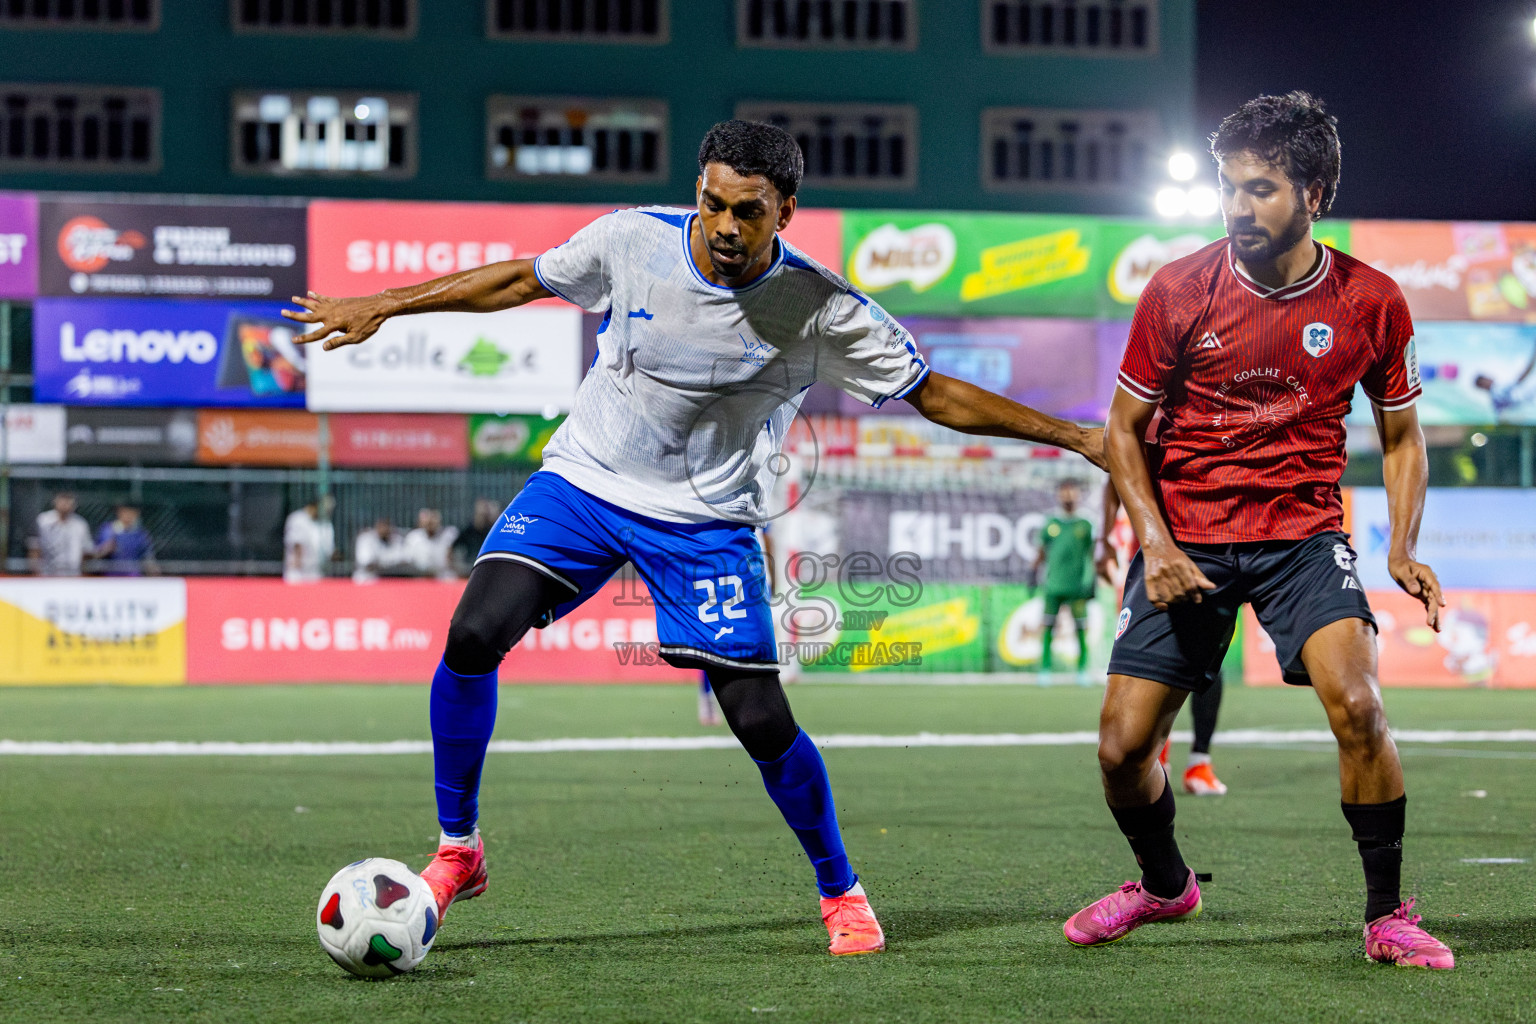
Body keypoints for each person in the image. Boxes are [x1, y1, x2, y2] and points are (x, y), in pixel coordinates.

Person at [286, 120, 1104, 956]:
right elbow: (519, 282)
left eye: (747, 212)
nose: (722, 227)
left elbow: (934, 395)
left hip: (706, 521)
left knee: (756, 715)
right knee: (472, 633)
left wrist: (1077, 436)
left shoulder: (820, 307)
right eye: (712, 203)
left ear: (786, 210)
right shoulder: (630, 239)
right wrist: (384, 304)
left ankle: (841, 889)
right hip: (586, 480)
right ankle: (459, 847)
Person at [1064, 92, 1453, 969]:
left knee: (1359, 705)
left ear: (1314, 191)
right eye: (1229, 188)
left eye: (1262, 189)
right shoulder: (1177, 291)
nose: (1239, 208)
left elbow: (1402, 433)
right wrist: (1156, 546)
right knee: (1123, 749)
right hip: (1188, 538)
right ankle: (1166, 886)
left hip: (1304, 540)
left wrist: (1401, 547)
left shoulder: (1372, 301)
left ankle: (1387, 915)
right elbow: (1122, 431)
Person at [1098, 478, 1227, 796]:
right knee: (1152, 664)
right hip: (1153, 560)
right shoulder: (1145, 432)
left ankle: (1200, 763)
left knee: (1211, 661)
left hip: (1213, 552)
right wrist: (1104, 538)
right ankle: (1160, 758)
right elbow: (1114, 469)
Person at [1033, 479, 1095, 675]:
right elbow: (1041, 553)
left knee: (1080, 629)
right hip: (1053, 585)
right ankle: (1045, 669)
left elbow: (1093, 555)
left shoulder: (1086, 524)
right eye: (1064, 492)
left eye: (1072, 491)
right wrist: (1032, 573)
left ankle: (1082, 669)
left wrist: (1093, 581)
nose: (1068, 496)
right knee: (1048, 626)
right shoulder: (1051, 523)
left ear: (1078, 494)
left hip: (1078, 587)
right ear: (1058, 495)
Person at [27, 492, 93, 577]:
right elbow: (34, 547)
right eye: (62, 500)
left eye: (68, 501)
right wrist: (36, 573)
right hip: (47, 574)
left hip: (72, 575)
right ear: (55, 502)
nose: (65, 504)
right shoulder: (43, 521)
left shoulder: (80, 524)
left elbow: (86, 551)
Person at [94, 503, 157, 577]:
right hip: (111, 576)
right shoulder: (108, 530)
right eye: (125, 512)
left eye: (132, 512)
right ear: (119, 512)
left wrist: (152, 568)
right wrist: (106, 549)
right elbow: (96, 553)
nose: (128, 515)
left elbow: (148, 556)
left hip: (133, 577)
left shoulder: (141, 534)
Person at [283, 496, 335, 584]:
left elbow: (329, 550)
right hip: (298, 573)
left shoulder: (325, 525)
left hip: (315, 573)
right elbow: (297, 544)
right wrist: (297, 568)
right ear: (316, 505)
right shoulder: (298, 519)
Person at [404, 508, 460, 581]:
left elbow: (455, 560)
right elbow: (407, 562)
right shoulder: (413, 537)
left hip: (442, 577)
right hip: (419, 577)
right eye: (427, 520)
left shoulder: (448, 535)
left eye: (433, 519)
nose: (430, 522)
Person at [452, 498, 502, 578]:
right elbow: (453, 546)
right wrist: (456, 566)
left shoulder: (491, 530)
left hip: (487, 566)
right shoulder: (468, 530)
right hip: (469, 567)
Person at [353, 516, 407, 584]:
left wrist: (383, 564)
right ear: (377, 526)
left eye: (387, 526)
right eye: (382, 525)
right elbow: (367, 564)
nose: (385, 529)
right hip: (367, 580)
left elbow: (404, 561)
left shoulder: (396, 539)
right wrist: (389, 564)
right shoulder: (366, 539)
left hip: (390, 581)